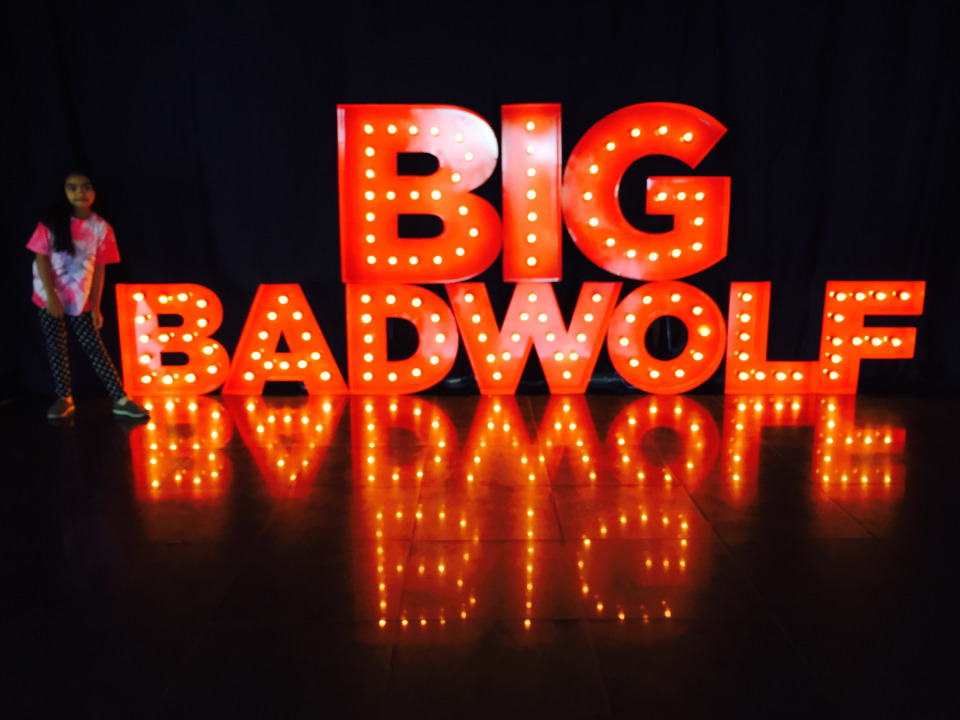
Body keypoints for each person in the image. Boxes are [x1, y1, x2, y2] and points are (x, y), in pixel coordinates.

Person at [27, 172, 149, 420]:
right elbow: (40, 258)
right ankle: (64, 397)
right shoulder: (51, 221)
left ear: (94, 191)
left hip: (80, 297)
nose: (79, 193)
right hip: (48, 293)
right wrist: (51, 296)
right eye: (72, 188)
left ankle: (120, 398)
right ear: (65, 192)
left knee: (94, 345)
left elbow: (100, 268)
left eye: (85, 187)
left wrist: (95, 305)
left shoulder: (101, 227)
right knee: (56, 345)